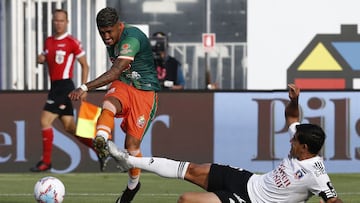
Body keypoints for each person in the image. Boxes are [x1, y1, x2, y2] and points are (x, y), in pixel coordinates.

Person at [108, 84, 344, 203]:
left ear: (305, 148)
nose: (290, 140)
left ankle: (129, 159)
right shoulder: (301, 146)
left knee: (185, 200)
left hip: (250, 201)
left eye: (295, 140)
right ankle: (129, 159)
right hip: (249, 180)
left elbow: (333, 200)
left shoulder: (317, 173)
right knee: (193, 169)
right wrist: (295, 99)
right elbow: (292, 117)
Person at [68, 7, 161, 203]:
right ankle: (102, 139)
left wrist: (85, 86)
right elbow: (118, 77)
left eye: (110, 31)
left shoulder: (131, 38)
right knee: (109, 102)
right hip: (124, 84)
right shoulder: (112, 38)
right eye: (102, 32)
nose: (106, 37)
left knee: (131, 147)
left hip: (145, 92)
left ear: (119, 26)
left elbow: (115, 71)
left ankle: (133, 185)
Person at [30, 9, 93, 172]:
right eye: (56, 20)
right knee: (70, 127)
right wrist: (40, 59)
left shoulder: (72, 42)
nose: (58, 23)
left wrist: (84, 87)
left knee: (45, 121)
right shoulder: (49, 41)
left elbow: (85, 65)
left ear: (67, 22)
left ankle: (46, 162)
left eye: (61, 20)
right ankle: (98, 148)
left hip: (65, 86)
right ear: (53, 21)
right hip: (55, 87)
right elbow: (44, 56)